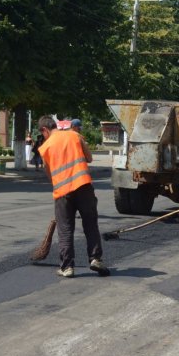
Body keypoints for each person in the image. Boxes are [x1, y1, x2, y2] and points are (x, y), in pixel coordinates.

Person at [37, 115, 109, 278]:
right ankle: (96, 259)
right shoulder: (75, 135)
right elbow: (89, 158)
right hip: (84, 186)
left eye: (42, 134)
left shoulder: (45, 147)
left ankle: (67, 267)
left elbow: (50, 175)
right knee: (90, 224)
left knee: (65, 230)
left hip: (63, 193)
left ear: (44, 130)